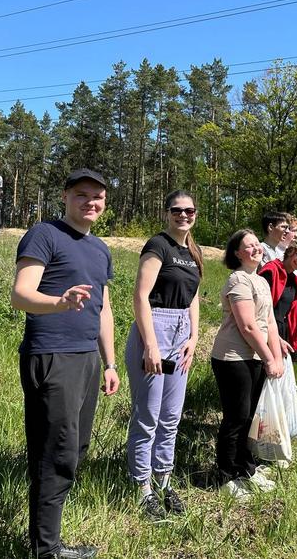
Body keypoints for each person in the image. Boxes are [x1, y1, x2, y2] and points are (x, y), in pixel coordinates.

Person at [10, 168, 120, 559]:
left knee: (75, 449)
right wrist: (59, 302)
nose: (91, 202)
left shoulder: (101, 249)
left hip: (88, 358)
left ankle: (47, 538)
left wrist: (109, 362)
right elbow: (21, 294)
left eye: (98, 197)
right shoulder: (45, 234)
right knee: (55, 451)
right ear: (66, 196)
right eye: (82, 195)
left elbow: (103, 308)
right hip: (52, 355)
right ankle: (46, 550)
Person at [125, 191, 202, 520]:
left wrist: (195, 337)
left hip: (181, 332)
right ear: (167, 212)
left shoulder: (193, 252)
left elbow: (193, 298)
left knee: (171, 417)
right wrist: (151, 344)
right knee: (148, 416)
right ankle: (142, 487)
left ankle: (164, 481)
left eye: (189, 211)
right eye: (177, 210)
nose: (183, 215)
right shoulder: (157, 245)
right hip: (155, 327)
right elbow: (140, 296)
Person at [211, 229, 284, 501]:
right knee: (237, 417)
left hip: (255, 357)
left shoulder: (261, 281)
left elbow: (270, 323)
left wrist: (276, 357)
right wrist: (268, 357)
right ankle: (226, 475)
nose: (255, 249)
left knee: (252, 417)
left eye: (257, 245)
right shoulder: (238, 280)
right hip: (233, 358)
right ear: (237, 254)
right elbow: (248, 325)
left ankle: (246, 469)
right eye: (248, 246)